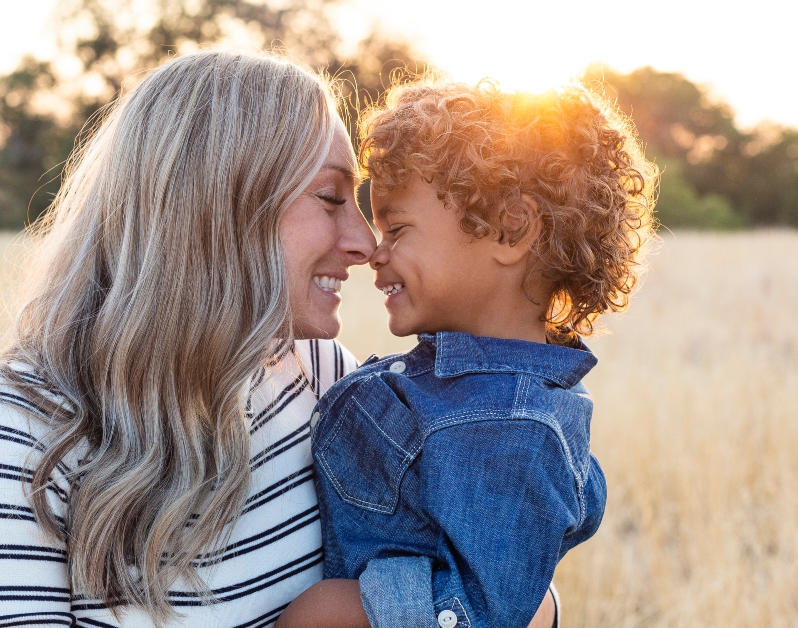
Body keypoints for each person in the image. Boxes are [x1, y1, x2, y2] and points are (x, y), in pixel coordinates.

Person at [0, 49, 377, 628]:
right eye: (331, 199)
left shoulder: (325, 380)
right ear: (214, 207)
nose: (366, 242)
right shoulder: (15, 429)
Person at [277, 80, 657, 628]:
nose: (375, 253)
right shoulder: (463, 390)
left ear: (511, 229)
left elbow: (479, 613)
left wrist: (328, 611)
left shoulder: (515, 428)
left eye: (397, 228)